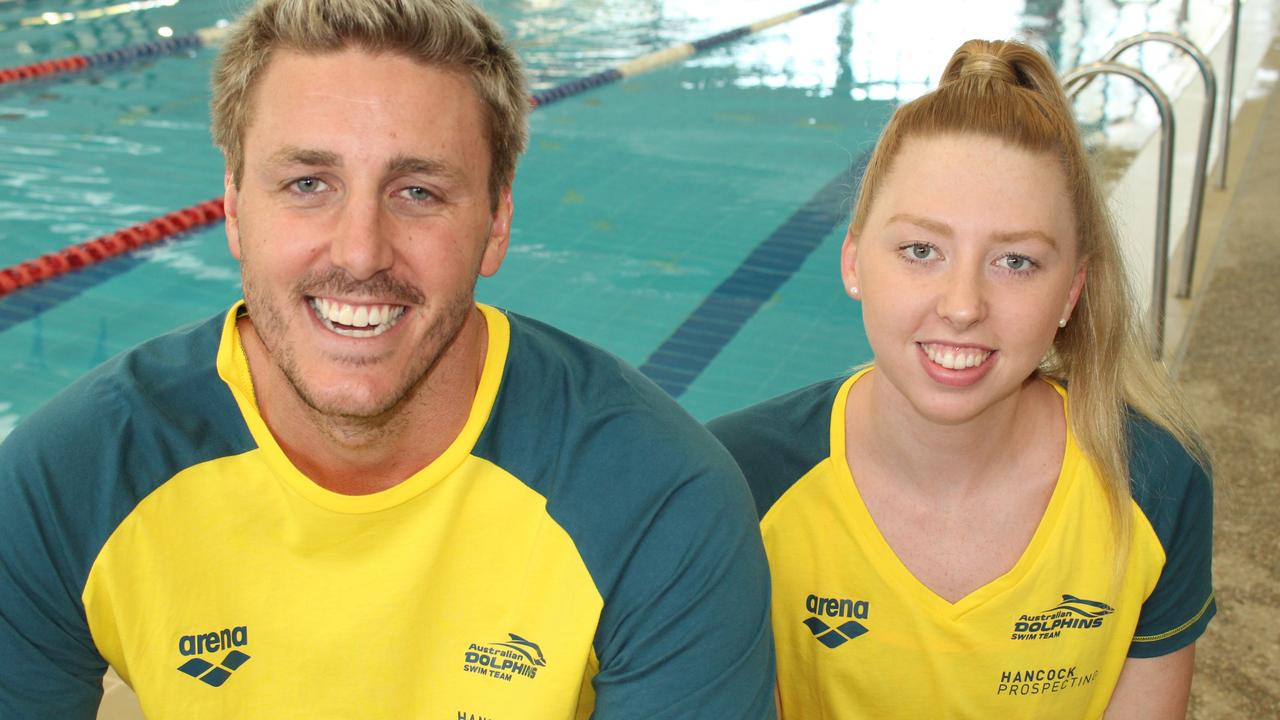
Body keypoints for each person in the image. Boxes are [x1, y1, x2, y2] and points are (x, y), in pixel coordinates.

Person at [0, 1, 775, 718]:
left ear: (498, 223)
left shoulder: (658, 498)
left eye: (418, 192)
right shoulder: (70, 476)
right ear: (234, 208)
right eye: (308, 183)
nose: (361, 251)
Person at [708, 39, 1214, 719]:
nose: (962, 304)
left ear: (1073, 292)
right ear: (854, 261)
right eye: (921, 250)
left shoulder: (1150, 481)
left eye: (1016, 262)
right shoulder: (739, 481)